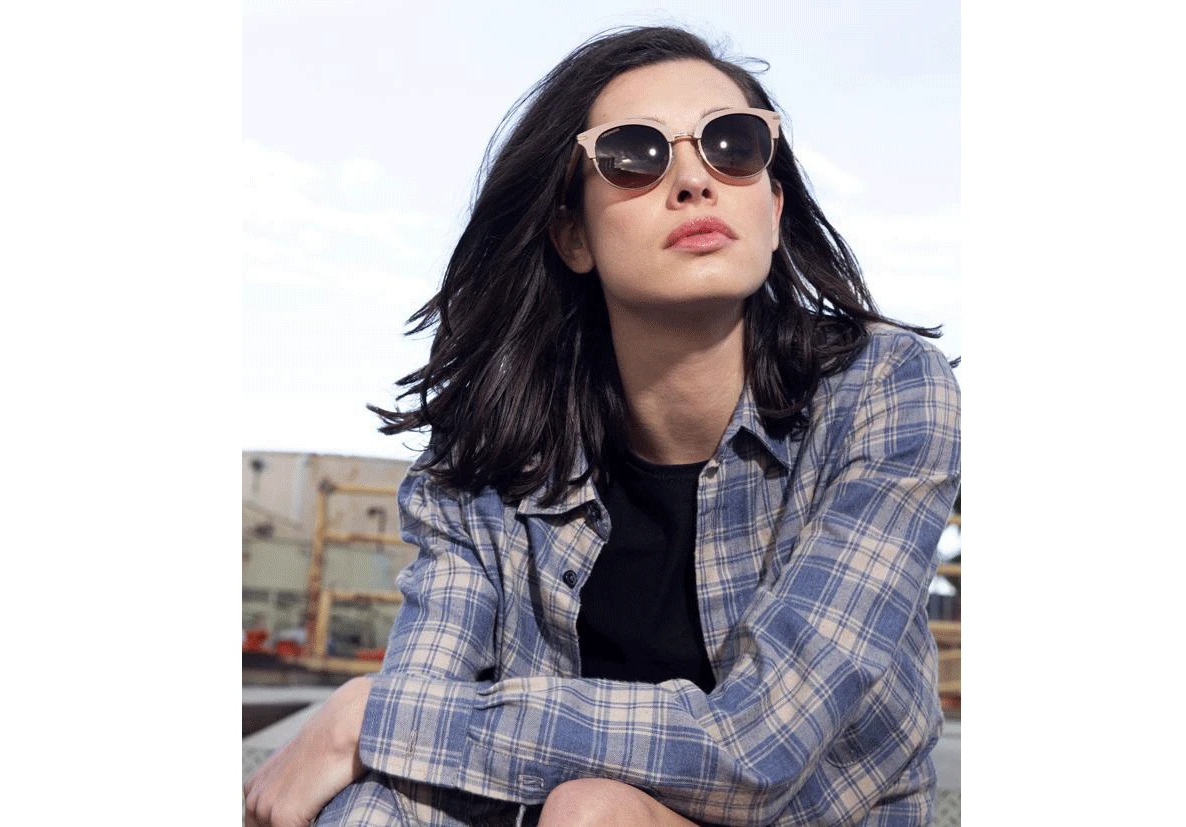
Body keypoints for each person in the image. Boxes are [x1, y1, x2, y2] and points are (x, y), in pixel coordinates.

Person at [244, 25, 960, 827]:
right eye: (634, 155)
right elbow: (421, 751)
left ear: (773, 205)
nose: (694, 180)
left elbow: (758, 748)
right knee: (378, 802)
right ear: (573, 234)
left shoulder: (884, 390)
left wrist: (372, 715)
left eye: (733, 144)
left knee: (589, 810)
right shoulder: (491, 453)